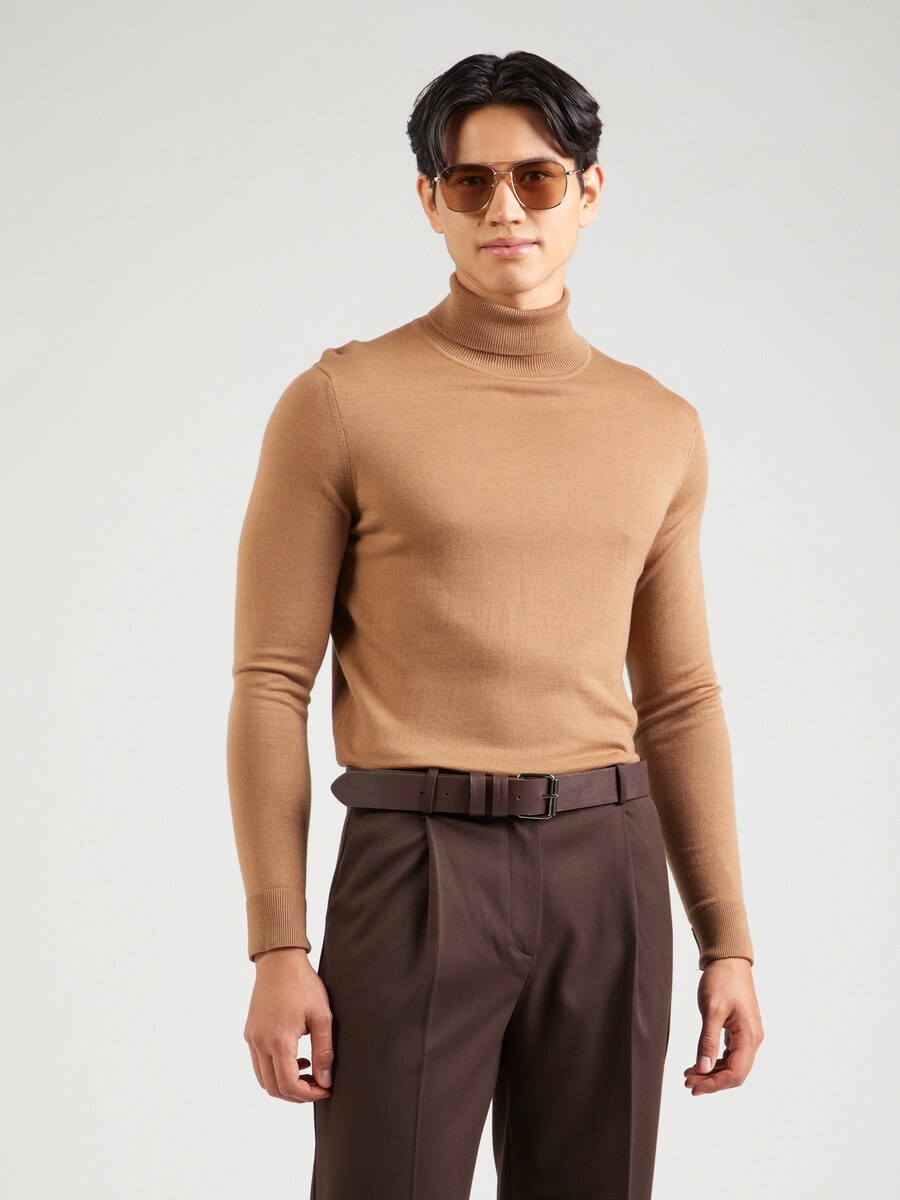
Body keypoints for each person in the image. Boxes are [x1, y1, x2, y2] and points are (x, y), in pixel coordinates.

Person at [227, 49, 764, 1200]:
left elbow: (679, 699)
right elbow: (271, 681)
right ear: (430, 201)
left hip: (610, 870)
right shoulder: (340, 403)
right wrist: (278, 942)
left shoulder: (659, 425)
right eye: (470, 183)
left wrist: (727, 937)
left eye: (537, 178)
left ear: (589, 191)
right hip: (413, 864)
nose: (505, 210)